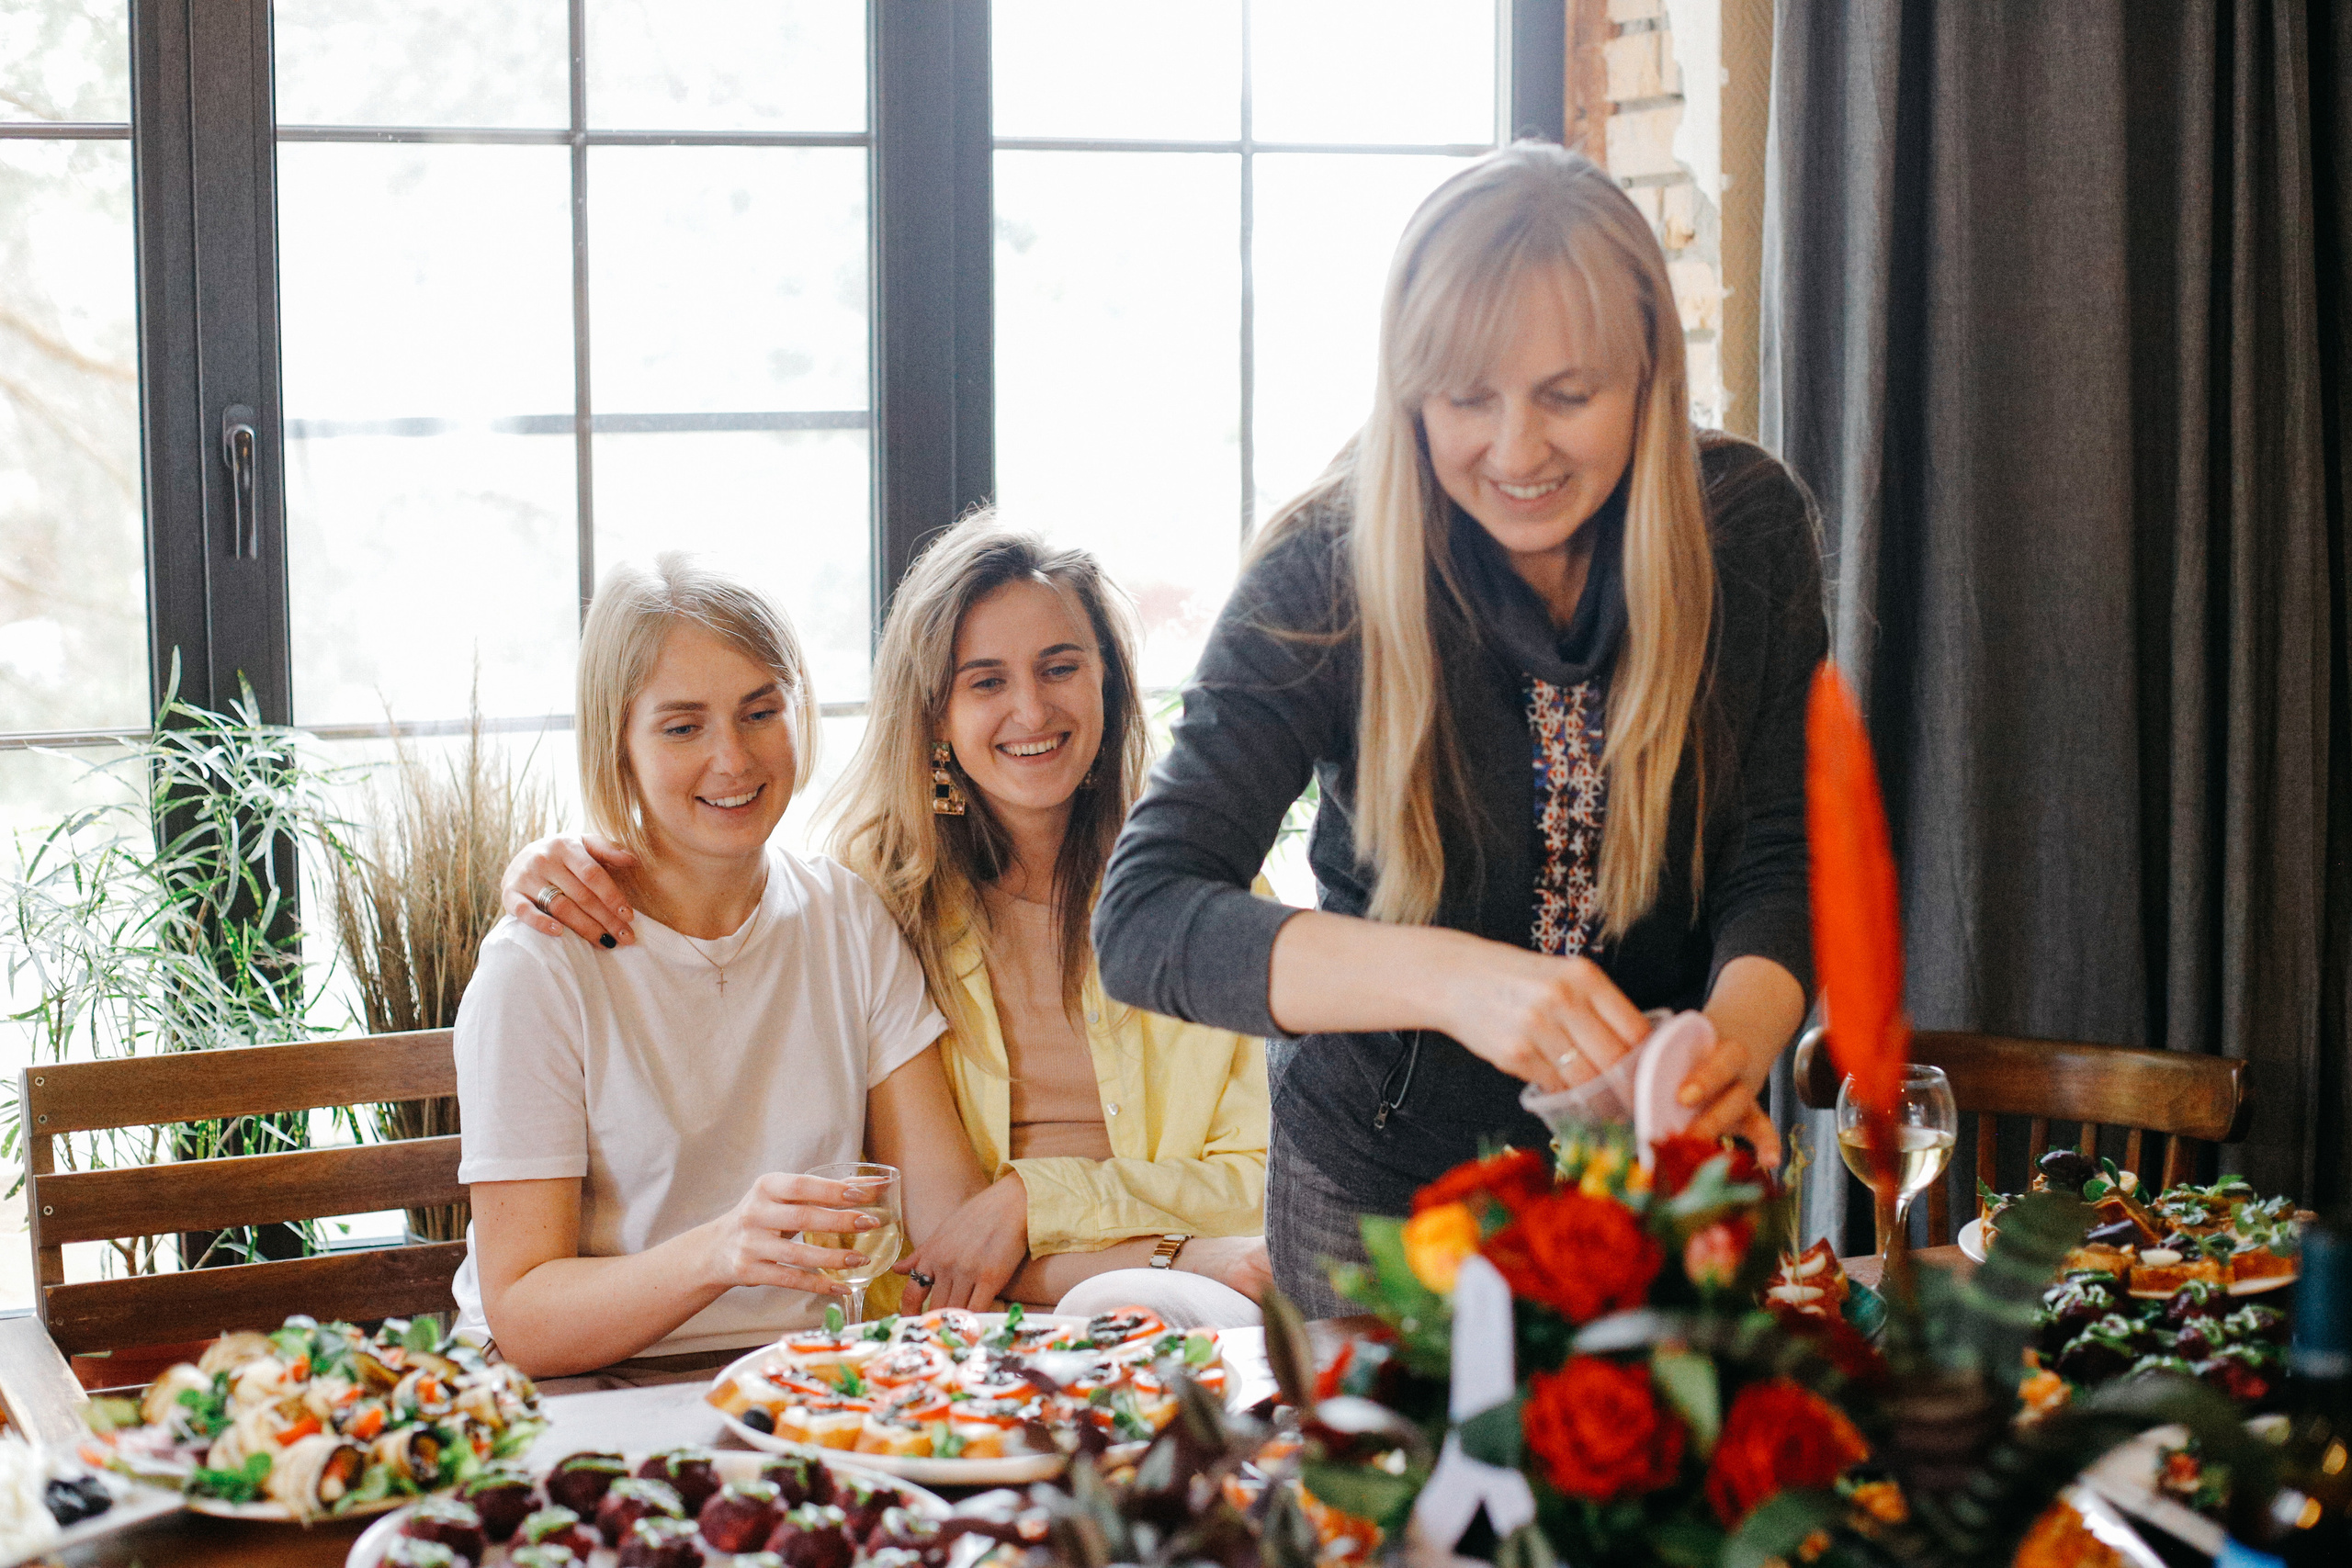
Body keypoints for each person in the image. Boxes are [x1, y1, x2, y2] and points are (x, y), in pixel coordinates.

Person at [1090, 141, 1826, 1316]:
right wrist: (1456, 982)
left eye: (1567, 395)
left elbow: (1781, 851)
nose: (1517, 451)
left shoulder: (1745, 529)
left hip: (1654, 1187)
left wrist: (1722, 1056)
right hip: (1381, 1204)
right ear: (1406, 389)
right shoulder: (1323, 569)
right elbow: (1144, 917)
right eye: (1466, 398)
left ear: (1648, 377)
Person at [501, 523, 1271, 1330]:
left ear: (1109, 681)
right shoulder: (881, 903)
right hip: (962, 1317)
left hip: (1191, 1297)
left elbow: (1268, 1169)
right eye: (985, 681)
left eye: (1061, 667)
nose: (1032, 709)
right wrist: (539, 868)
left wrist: (1040, 1201)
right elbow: (941, 1243)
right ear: (933, 710)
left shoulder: (1204, 898)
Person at [456, 555, 981, 1378]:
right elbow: (523, 1316)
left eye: (760, 710)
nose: (733, 759)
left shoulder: (846, 916)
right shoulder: (541, 964)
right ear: (618, 744)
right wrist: (722, 1250)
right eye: (682, 726)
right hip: (583, 1391)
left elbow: (947, 1217)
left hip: (800, 1377)